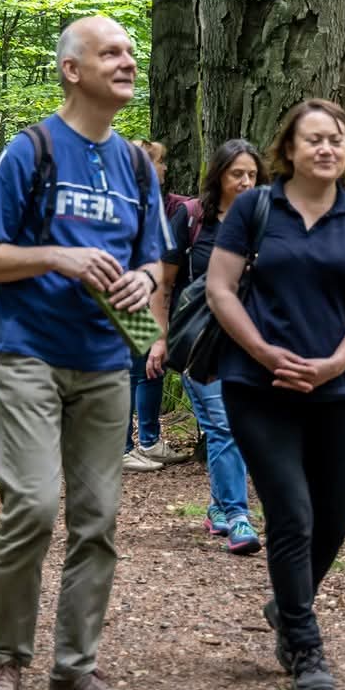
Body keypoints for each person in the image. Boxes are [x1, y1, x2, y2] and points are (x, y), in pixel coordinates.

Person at [0, 15, 168, 690]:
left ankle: (74, 670)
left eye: (132, 53)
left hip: (108, 360)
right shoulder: (33, 149)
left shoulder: (139, 164)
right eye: (112, 52)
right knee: (33, 504)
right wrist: (56, 255)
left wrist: (145, 282)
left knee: (97, 518)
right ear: (72, 70)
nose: (128, 61)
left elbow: (154, 260)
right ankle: (5, 661)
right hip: (28, 349)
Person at [206, 100, 345, 690]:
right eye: (313, 139)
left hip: (335, 388)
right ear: (288, 149)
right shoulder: (259, 208)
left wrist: (337, 362)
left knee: (335, 516)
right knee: (292, 513)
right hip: (257, 385)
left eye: (336, 140)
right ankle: (304, 644)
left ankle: (285, 604)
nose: (326, 149)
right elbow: (219, 287)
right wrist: (262, 351)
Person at [159, 138, 266, 556]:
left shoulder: (265, 221)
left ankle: (219, 507)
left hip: (250, 343)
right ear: (218, 175)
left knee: (240, 427)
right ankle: (239, 515)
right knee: (224, 424)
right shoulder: (191, 218)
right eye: (236, 173)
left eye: (252, 175)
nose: (245, 182)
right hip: (200, 343)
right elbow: (162, 284)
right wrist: (156, 339)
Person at [122, 140, 192, 472]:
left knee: (145, 369)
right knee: (140, 369)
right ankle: (130, 446)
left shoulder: (162, 204)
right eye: (161, 162)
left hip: (141, 296)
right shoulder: (129, 205)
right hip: (129, 297)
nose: (166, 168)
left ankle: (145, 442)